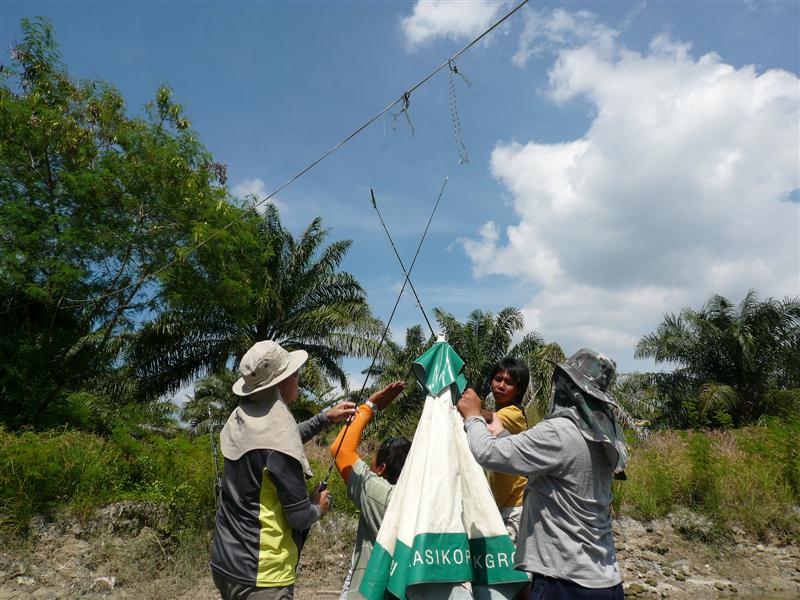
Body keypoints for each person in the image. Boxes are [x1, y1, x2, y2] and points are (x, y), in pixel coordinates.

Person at [457, 348, 628, 600]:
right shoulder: (604, 439)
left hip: (565, 580)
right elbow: (537, 463)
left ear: (569, 388)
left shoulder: (559, 432)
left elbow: (488, 453)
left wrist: (472, 417)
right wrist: (502, 434)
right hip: (606, 579)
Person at [210, 340, 356, 600]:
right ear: (279, 384)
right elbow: (299, 517)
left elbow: (276, 443)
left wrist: (325, 418)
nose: (298, 378)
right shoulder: (278, 441)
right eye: (294, 374)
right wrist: (318, 506)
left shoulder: (241, 417)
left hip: (225, 562)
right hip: (262, 576)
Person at [329, 380, 411, 599]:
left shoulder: (377, 491)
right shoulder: (418, 499)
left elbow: (340, 449)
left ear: (381, 469)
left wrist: (370, 406)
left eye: (373, 462)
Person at [483, 357, 530, 543]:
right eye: (498, 379)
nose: (501, 385)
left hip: (515, 505)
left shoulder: (514, 414)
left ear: (518, 390)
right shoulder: (499, 411)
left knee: (508, 566)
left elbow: (489, 418)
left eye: (509, 382)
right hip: (497, 504)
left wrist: (467, 407)